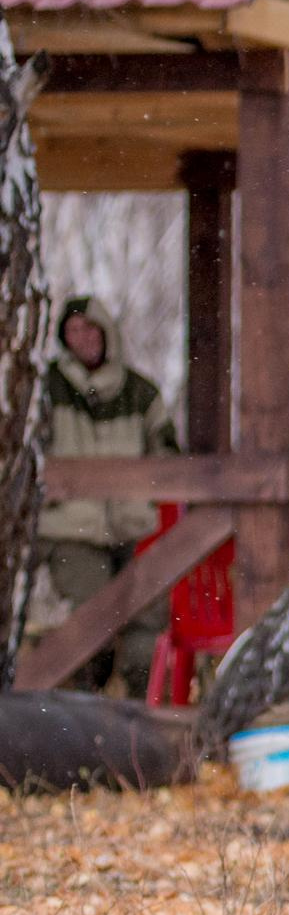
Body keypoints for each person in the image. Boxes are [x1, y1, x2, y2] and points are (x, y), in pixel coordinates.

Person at [35, 296, 180, 694]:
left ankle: (142, 710)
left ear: (107, 333)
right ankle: (86, 711)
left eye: (91, 328)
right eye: (74, 331)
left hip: (134, 526)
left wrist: (145, 493)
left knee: (147, 619)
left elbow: (168, 456)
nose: (84, 338)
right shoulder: (45, 390)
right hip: (72, 528)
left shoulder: (140, 393)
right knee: (90, 620)